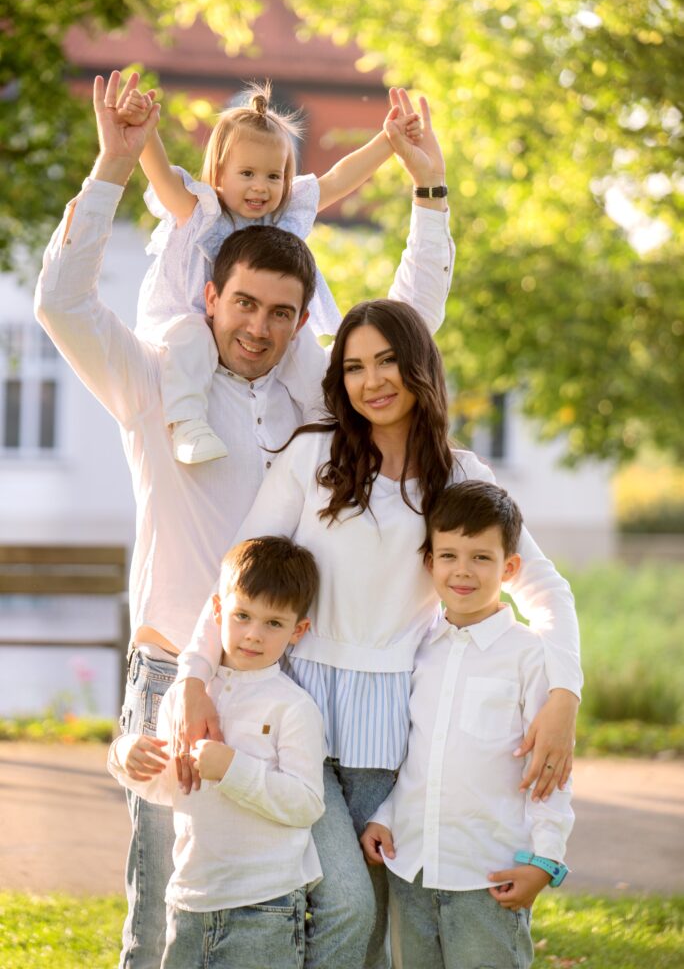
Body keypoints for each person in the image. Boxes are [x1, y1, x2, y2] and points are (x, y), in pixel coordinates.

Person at [34, 69, 454, 969]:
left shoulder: (314, 385)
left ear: (305, 322)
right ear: (210, 297)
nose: (258, 329)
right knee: (165, 917)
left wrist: (429, 194)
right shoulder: (151, 379)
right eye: (244, 306)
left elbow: (409, 326)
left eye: (281, 314)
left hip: (291, 674)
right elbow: (62, 303)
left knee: (313, 905)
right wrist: (112, 164)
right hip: (171, 672)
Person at [176, 300, 582, 969]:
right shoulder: (312, 455)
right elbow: (238, 574)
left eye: (388, 361)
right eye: (356, 366)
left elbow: (544, 588)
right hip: (292, 708)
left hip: (390, 725)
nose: (373, 381)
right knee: (340, 904)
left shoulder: (462, 474)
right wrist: (196, 673)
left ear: (419, 365)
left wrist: (563, 695)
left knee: (365, 919)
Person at [119, 79, 422, 464]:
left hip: (257, 329)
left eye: (273, 176)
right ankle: (188, 424)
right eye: (247, 174)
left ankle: (333, 430)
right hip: (192, 319)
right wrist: (144, 133)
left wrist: (387, 142)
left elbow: (338, 179)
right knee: (192, 340)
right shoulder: (201, 213)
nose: (261, 188)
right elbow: (161, 179)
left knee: (305, 353)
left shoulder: (282, 215)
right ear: (219, 174)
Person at [360, 480, 574, 969]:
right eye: (449, 555)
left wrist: (546, 860)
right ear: (429, 562)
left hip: (489, 878)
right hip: (410, 870)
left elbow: (552, 772)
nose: (462, 571)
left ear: (510, 567)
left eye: (481, 557)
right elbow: (415, 756)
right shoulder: (417, 649)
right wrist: (386, 816)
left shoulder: (530, 657)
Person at [108, 536, 326, 969]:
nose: (253, 634)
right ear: (218, 611)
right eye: (242, 615)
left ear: (298, 631)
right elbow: (170, 784)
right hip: (190, 896)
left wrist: (233, 770)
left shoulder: (294, 707)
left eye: (273, 623)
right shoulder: (186, 699)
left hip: (264, 905)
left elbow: (307, 804)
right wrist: (125, 755)